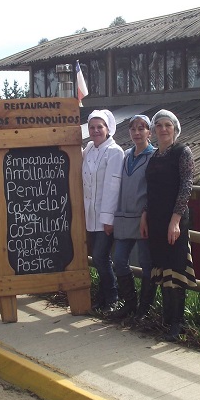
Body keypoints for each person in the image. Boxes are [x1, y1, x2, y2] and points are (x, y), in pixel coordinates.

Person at [140, 109, 196, 341]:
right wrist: (144, 215)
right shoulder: (154, 156)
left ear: (175, 129)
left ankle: (177, 322)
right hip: (155, 218)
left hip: (174, 220)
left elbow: (186, 187)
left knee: (176, 270)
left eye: (168, 125)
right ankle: (166, 318)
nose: (163, 129)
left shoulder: (182, 152)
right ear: (153, 130)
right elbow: (150, 191)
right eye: (159, 125)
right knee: (162, 269)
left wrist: (175, 221)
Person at [110, 115, 156, 320]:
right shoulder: (125, 156)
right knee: (118, 259)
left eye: (142, 128)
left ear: (149, 132)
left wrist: (147, 210)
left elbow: (155, 189)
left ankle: (144, 309)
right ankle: (129, 303)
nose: (137, 133)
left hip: (144, 218)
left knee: (147, 264)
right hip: (124, 217)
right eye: (133, 129)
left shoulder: (154, 156)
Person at [82, 109, 124, 312]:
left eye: (100, 127)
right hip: (89, 215)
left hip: (106, 216)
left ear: (108, 129)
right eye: (92, 127)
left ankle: (113, 297)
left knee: (100, 256)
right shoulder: (89, 148)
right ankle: (102, 296)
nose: (96, 130)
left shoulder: (115, 152)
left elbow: (112, 188)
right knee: (97, 258)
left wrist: (108, 218)